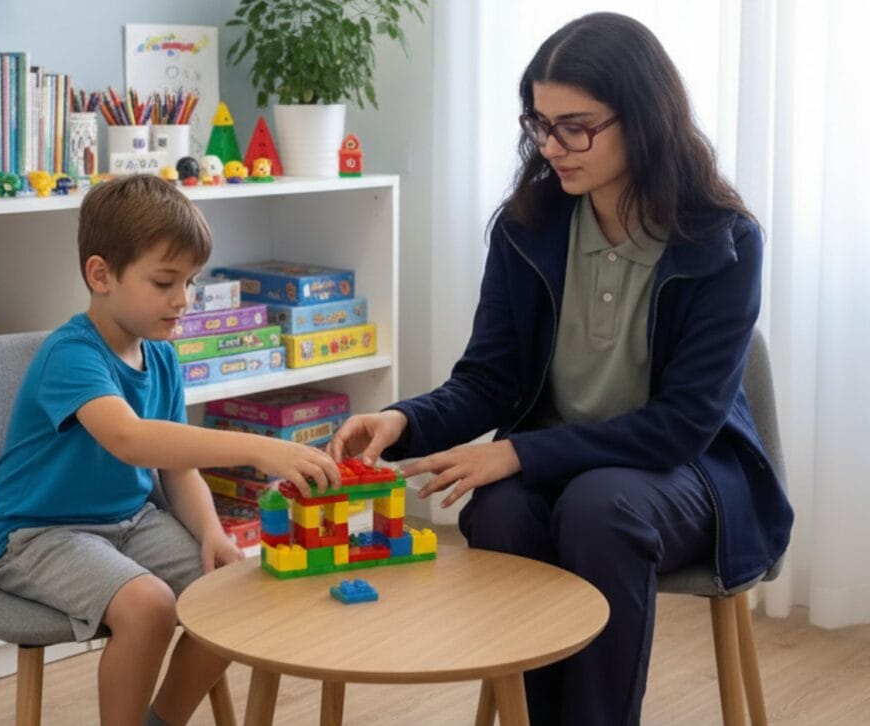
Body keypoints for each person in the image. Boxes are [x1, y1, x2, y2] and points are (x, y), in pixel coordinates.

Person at [329, 12, 793, 726]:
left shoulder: (724, 243)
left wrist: (516, 451)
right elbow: (490, 378)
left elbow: (682, 427)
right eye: (539, 125)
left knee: (600, 507)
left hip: (689, 476)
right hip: (560, 466)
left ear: (644, 117)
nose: (552, 147)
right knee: (503, 509)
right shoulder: (526, 228)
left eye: (575, 126)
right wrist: (402, 421)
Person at [0, 174, 341, 726]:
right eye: (165, 282)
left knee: (234, 594)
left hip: (130, 521)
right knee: (150, 607)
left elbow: (177, 466)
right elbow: (130, 438)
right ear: (101, 275)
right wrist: (259, 450)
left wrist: (212, 532)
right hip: (38, 534)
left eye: (190, 282)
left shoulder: (163, 357)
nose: (183, 301)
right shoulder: (71, 354)